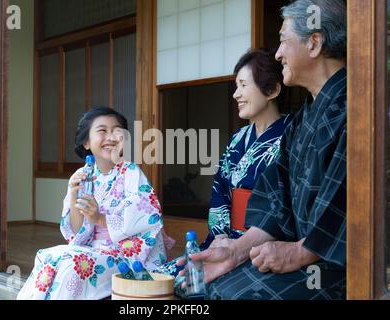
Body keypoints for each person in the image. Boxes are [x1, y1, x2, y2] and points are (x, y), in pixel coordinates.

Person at [178, 0, 347, 300]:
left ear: (314, 43)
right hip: (279, 245)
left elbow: (347, 204)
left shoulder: (353, 111)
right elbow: (275, 196)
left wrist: (300, 251)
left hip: (333, 263)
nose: (278, 52)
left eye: (283, 40)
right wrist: (235, 249)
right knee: (205, 288)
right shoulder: (302, 121)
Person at [155, 48, 293, 289]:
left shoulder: (294, 134)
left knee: (207, 289)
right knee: (165, 277)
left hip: (265, 246)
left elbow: (287, 201)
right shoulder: (239, 138)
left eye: (242, 85)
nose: (235, 94)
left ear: (272, 90)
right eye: (235, 86)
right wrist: (220, 236)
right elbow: (220, 190)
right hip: (225, 240)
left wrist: (239, 246)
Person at [17, 107, 174, 300]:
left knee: (71, 265)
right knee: (47, 257)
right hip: (95, 249)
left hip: (130, 255)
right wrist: (74, 196)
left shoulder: (131, 172)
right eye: (102, 131)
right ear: (86, 142)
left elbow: (146, 216)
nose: (111, 137)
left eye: (117, 131)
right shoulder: (83, 176)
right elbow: (76, 233)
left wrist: (99, 219)